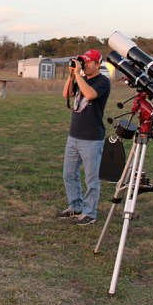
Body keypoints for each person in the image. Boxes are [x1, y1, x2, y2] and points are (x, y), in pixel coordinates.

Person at [59, 48, 111, 225]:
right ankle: (75, 206)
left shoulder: (103, 82)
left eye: (88, 62)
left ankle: (90, 213)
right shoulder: (82, 79)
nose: (85, 65)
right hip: (74, 135)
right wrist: (72, 75)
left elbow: (90, 94)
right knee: (69, 174)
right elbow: (66, 94)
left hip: (91, 138)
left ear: (97, 64)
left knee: (91, 179)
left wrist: (78, 76)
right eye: (83, 62)